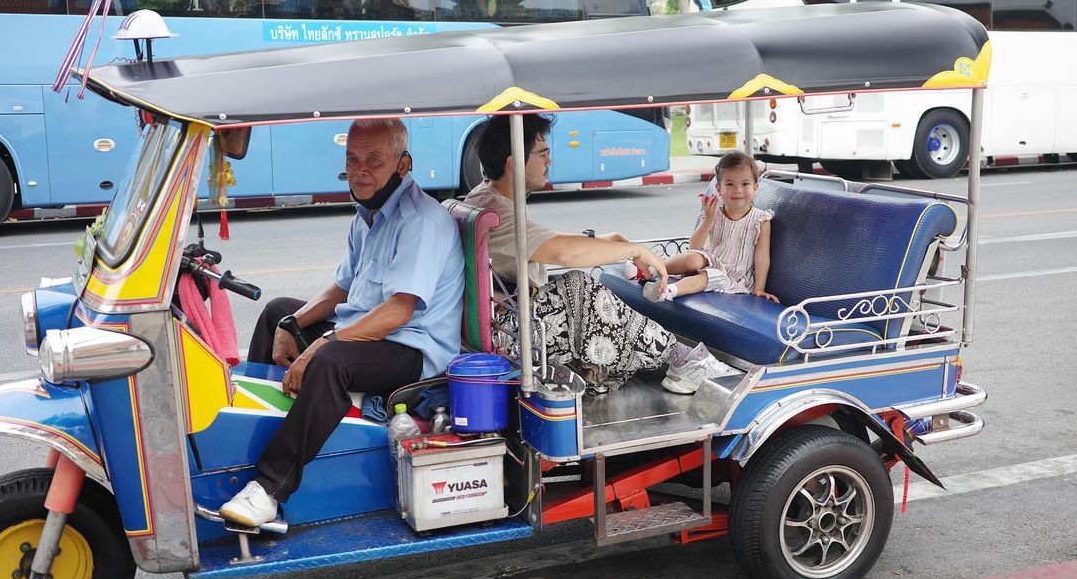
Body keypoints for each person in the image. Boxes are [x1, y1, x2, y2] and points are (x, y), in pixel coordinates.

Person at [219, 118, 465, 527]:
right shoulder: (367, 214)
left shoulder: (420, 220)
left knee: (331, 360)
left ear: (403, 165)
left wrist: (320, 345)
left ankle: (269, 489)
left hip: (414, 350)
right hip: (368, 333)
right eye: (352, 159)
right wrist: (291, 323)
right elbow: (340, 292)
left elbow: (398, 312)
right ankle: (251, 433)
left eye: (373, 160)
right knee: (276, 312)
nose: (360, 170)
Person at [464, 114, 734, 396]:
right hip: (508, 335)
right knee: (578, 285)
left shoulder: (488, 198)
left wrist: (604, 242)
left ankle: (651, 360)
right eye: (543, 154)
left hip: (507, 322)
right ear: (513, 162)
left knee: (578, 289)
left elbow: (547, 242)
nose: (549, 162)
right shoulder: (498, 215)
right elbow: (563, 252)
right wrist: (634, 250)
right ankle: (683, 359)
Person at [631, 151, 777, 304]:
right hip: (708, 261)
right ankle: (650, 269)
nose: (738, 190)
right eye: (729, 184)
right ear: (719, 189)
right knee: (694, 258)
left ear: (755, 187)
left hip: (731, 276)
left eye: (745, 184)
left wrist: (759, 288)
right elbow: (694, 246)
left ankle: (668, 291)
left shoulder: (761, 220)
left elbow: (762, 258)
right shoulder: (714, 213)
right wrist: (709, 220)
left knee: (711, 275)